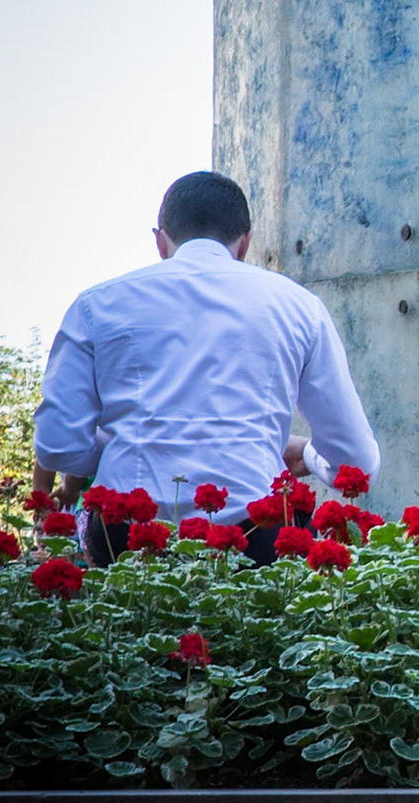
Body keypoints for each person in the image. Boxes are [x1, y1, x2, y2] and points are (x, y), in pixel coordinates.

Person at [32, 172, 382, 565]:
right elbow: (357, 460)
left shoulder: (95, 305)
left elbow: (57, 444)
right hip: (256, 535)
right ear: (245, 243)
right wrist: (310, 456)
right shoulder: (300, 307)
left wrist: (130, 447)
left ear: (160, 241)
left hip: (124, 537)